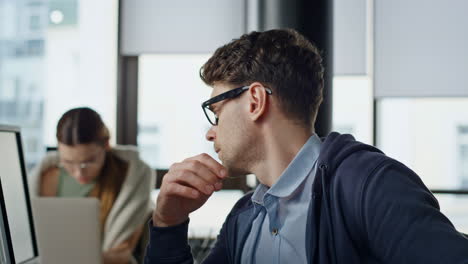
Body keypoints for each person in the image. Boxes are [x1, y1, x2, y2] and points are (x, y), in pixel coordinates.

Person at [144, 29, 468, 263]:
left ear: (255, 101)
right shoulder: (243, 218)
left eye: (216, 113)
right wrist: (168, 223)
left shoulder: (368, 184)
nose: (210, 133)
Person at [30, 107, 155, 264]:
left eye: (89, 162)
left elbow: (122, 255)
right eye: (68, 162)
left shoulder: (130, 179)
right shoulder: (45, 178)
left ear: (107, 145)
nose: (78, 173)